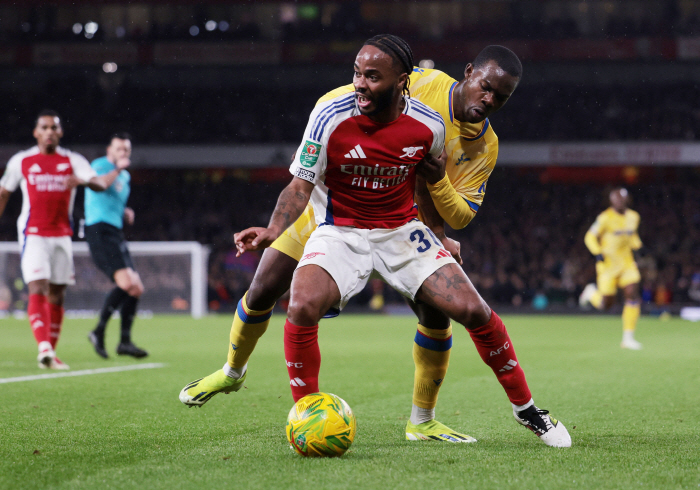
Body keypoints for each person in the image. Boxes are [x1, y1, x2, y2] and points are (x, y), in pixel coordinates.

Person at [182, 36, 570, 447]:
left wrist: (437, 239)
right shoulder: (349, 104)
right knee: (271, 292)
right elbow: (300, 183)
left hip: (399, 225)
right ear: (468, 74)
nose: (490, 99)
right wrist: (273, 229)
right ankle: (251, 382)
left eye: (501, 96)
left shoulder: (452, 133)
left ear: (398, 83)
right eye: (486, 87)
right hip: (330, 214)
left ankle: (477, 415)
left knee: (458, 311)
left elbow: (429, 189)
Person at [0, 110, 129, 369]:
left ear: (60, 132)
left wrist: (83, 180)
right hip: (33, 234)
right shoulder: (22, 161)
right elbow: (4, 192)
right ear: (36, 132)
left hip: (61, 236)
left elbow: (100, 184)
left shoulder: (73, 161)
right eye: (44, 127)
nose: (49, 132)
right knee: (37, 286)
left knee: (57, 295)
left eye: (54, 128)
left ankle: (51, 353)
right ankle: (43, 346)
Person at [85, 133, 148, 359]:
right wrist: (119, 169)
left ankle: (124, 342)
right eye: (119, 149)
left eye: (126, 150)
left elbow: (111, 201)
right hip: (98, 230)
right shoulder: (100, 165)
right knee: (126, 283)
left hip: (114, 231)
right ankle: (98, 331)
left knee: (136, 287)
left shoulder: (126, 177)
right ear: (109, 150)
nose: (123, 153)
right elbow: (99, 187)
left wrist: (125, 211)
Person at [579, 188, 643, 349]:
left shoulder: (634, 217)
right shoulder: (604, 218)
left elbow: (632, 236)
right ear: (611, 201)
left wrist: (639, 246)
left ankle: (628, 338)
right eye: (616, 199)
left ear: (627, 200)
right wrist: (597, 252)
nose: (619, 202)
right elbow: (589, 236)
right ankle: (591, 293)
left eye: (622, 199)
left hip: (627, 264)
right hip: (607, 266)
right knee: (606, 304)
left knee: (632, 293)